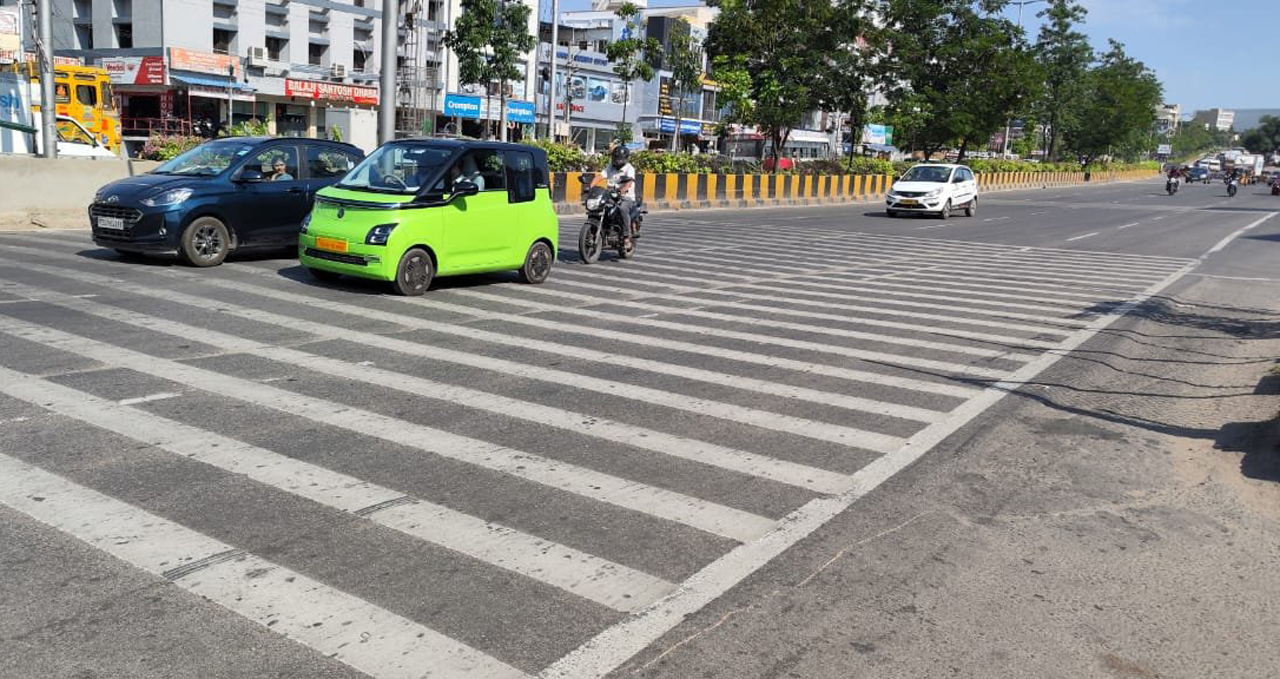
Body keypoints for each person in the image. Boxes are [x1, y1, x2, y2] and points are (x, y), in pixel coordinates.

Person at [604, 145, 637, 247]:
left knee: (622, 209)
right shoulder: (610, 167)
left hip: (626, 197)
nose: (617, 161)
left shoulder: (629, 168)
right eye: (615, 158)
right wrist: (590, 186)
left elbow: (629, 182)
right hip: (611, 195)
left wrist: (622, 190)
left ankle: (626, 237)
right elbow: (600, 176)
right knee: (598, 206)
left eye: (619, 159)